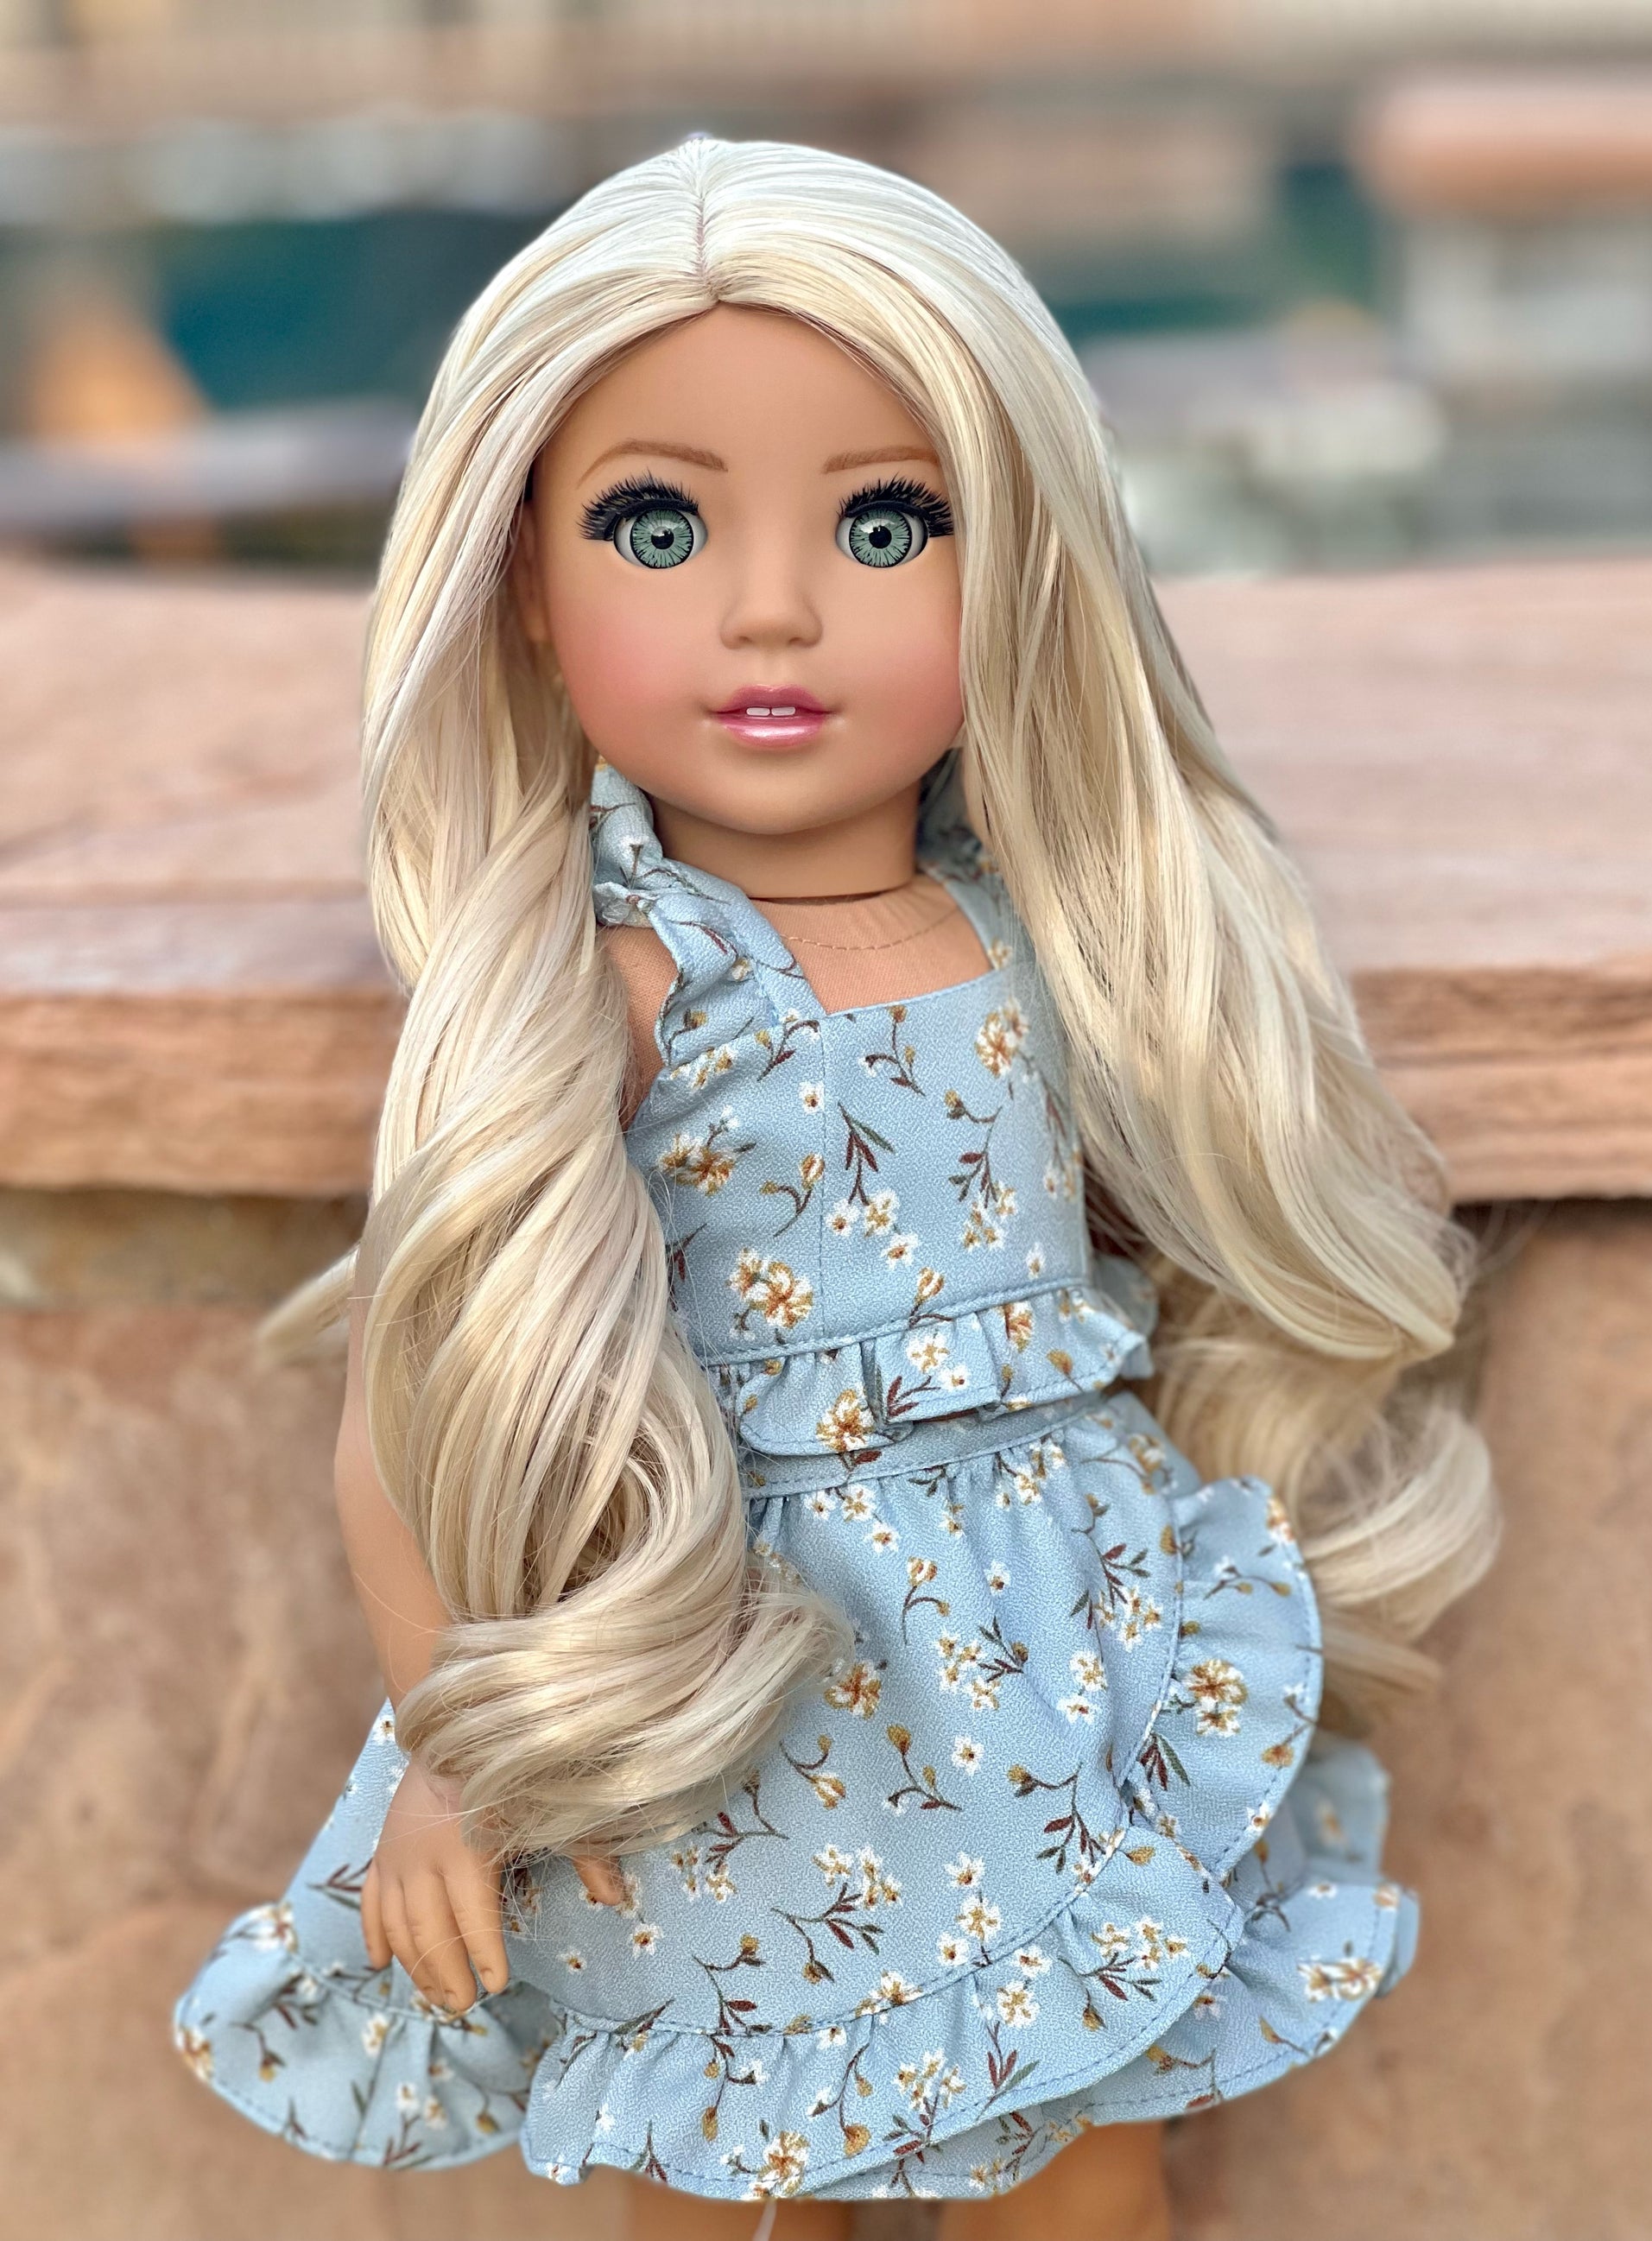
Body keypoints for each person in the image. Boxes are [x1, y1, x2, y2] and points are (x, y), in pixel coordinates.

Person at [173, 136, 1497, 2235]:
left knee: (1092, 2165)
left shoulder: (1052, 939)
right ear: (523, 586)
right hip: (724, 1676)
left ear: (1025, 565)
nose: (771, 606)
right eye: (656, 524)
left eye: (889, 523)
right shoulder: (620, 985)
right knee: (723, 2161)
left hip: (1046, 1669)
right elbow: (413, 1404)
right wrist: (460, 1735)